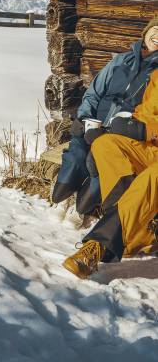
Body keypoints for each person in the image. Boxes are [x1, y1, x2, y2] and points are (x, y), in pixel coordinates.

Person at [62, 19, 158, 278]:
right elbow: (144, 111)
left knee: (154, 177)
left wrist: (145, 130)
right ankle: (132, 231)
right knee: (106, 145)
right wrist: (125, 125)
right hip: (149, 147)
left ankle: (98, 245)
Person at [52, 16, 158, 215]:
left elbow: (147, 115)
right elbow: (94, 93)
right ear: (146, 32)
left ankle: (85, 208)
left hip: (118, 135)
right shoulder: (120, 60)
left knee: (94, 174)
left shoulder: (157, 76)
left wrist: (117, 131)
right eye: (156, 29)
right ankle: (59, 201)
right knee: (73, 162)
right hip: (93, 124)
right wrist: (83, 118)